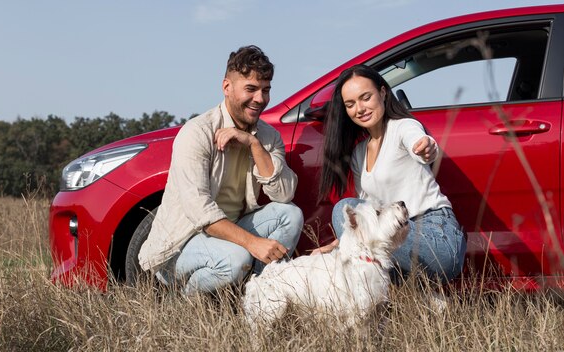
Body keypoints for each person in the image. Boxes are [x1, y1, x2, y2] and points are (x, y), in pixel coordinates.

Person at [138, 45, 303, 295]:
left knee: (290, 214)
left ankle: (257, 297)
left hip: (231, 231)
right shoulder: (197, 132)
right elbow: (200, 212)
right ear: (227, 87)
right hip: (182, 244)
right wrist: (254, 244)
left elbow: (284, 194)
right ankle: (185, 307)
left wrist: (254, 145)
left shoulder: (268, 137)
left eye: (266, 90)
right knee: (236, 259)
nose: (260, 99)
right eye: (251, 89)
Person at [315, 64, 466, 284]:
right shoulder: (359, 153)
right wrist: (336, 245)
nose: (359, 108)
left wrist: (425, 147)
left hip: (435, 236)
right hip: (394, 237)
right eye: (350, 104)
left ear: (383, 92)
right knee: (351, 213)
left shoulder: (403, 127)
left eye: (365, 97)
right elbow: (368, 219)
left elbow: (420, 143)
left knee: (342, 209)